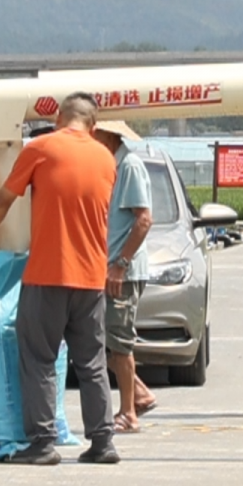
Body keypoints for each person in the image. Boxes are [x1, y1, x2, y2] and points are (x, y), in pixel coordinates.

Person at [0, 93, 119, 466]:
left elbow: (3, 198)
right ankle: (103, 441)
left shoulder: (42, 148)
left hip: (48, 273)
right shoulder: (106, 158)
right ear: (93, 126)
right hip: (91, 278)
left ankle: (42, 442)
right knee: (92, 362)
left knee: (38, 358)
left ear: (58, 120)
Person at [92, 119, 157, 434]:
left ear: (106, 135)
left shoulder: (128, 165)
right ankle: (139, 394)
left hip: (123, 270)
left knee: (119, 342)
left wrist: (121, 263)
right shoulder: (109, 165)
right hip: (108, 265)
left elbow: (143, 220)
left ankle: (129, 413)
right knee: (104, 338)